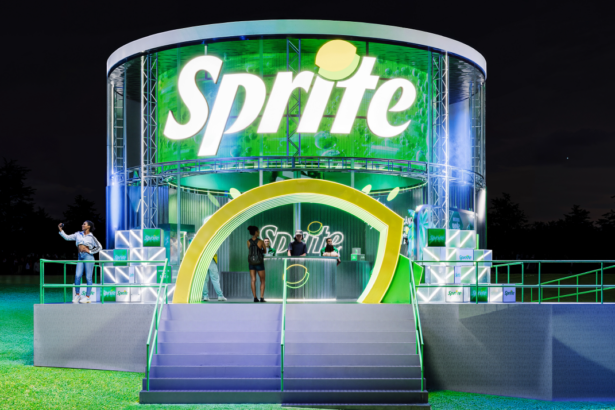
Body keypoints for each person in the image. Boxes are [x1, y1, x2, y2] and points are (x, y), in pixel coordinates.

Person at [58, 221, 102, 304]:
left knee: (88, 277)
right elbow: (67, 237)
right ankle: (77, 295)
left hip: (88, 257)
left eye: (84, 224)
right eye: (82, 224)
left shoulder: (91, 237)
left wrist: (90, 251)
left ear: (89, 226)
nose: (82, 225)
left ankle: (87, 297)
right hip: (80, 257)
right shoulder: (78, 234)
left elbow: (99, 247)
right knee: (77, 276)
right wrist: (61, 230)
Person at [247, 226, 266, 303]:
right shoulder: (261, 241)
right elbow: (265, 251)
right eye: (258, 231)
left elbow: (250, 250)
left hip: (251, 263)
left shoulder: (248, 241)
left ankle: (255, 298)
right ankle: (261, 298)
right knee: (262, 280)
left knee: (253, 280)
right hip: (259, 263)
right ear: (255, 232)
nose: (259, 232)